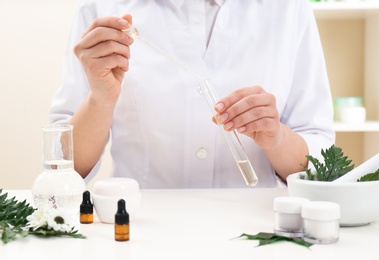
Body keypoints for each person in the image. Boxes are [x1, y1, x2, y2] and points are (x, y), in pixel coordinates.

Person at [49, 0, 335, 188]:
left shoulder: (288, 10)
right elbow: (64, 168)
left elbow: (322, 159)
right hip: (137, 235)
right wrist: (100, 100)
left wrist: (279, 138)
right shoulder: (102, 7)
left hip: (256, 232)